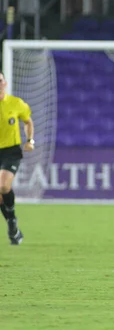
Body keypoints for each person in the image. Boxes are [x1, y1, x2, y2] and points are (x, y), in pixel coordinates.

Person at [0, 72, 34, 245]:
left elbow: (28, 122)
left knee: (4, 185)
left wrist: (30, 141)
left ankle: (12, 220)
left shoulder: (16, 103)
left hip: (10, 151)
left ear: (5, 83)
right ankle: (13, 226)